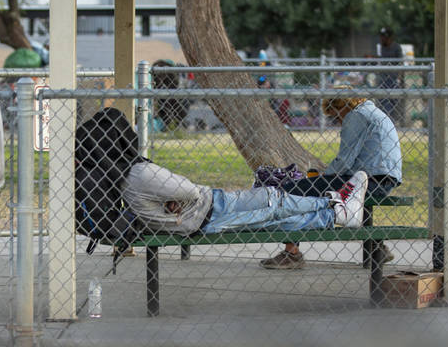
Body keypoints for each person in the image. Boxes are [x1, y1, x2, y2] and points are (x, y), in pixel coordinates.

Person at [260, 93, 402, 269]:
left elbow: (344, 160)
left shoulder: (355, 115)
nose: (337, 121)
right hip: (383, 180)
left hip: (371, 179)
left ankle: (292, 253)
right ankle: (377, 247)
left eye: (335, 115)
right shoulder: (373, 112)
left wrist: (323, 177)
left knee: (293, 190)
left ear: (343, 107)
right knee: (337, 191)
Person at [124, 163, 369, 235]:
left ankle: (335, 214)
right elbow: (190, 192)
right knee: (271, 198)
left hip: (201, 224)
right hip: (209, 208)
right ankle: (333, 203)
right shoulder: (137, 173)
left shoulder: (121, 185)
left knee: (275, 223)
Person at [376, 27, 404, 123]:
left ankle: (395, 121)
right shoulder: (381, 47)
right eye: (381, 37)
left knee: (394, 101)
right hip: (383, 78)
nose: (382, 39)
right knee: (382, 100)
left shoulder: (396, 47)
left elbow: (401, 63)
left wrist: (399, 78)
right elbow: (378, 60)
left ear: (390, 37)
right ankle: (384, 121)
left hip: (393, 78)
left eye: (384, 37)